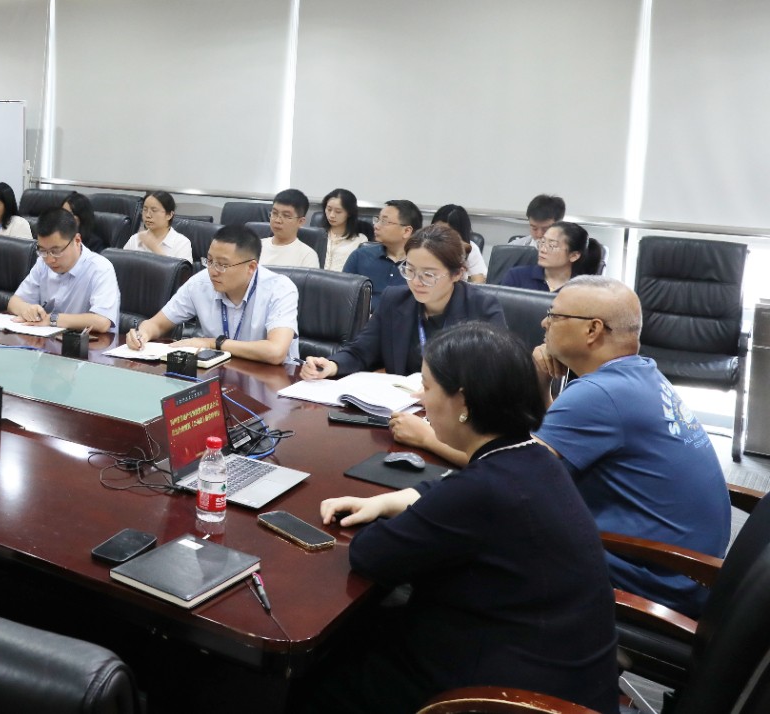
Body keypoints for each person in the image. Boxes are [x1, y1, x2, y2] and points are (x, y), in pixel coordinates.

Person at [311, 323, 619, 714]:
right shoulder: (531, 458)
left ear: (463, 402)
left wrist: (393, 516)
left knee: (321, 673)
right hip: (560, 666)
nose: (422, 401)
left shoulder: (481, 491)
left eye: (427, 387)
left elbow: (370, 555)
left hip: (505, 696)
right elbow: (452, 491)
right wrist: (389, 502)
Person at [533, 277, 729, 618]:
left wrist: (434, 437)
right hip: (693, 571)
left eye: (554, 315)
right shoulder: (638, 374)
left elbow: (513, 471)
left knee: (494, 527)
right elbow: (559, 441)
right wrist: (541, 379)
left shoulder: (598, 395)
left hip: (654, 582)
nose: (543, 323)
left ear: (592, 330)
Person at [301, 224, 504, 380]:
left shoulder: (482, 308)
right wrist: (331, 365)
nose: (416, 281)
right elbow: (362, 350)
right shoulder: (395, 299)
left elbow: (494, 374)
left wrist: (441, 395)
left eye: (429, 275)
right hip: (400, 405)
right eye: (410, 270)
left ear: (457, 274)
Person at [125, 225, 297, 363]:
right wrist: (142, 334)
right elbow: (157, 324)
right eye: (210, 261)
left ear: (251, 267)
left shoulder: (279, 289)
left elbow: (276, 352)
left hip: (272, 378)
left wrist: (213, 343)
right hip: (220, 370)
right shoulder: (199, 284)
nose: (213, 271)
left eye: (222, 265)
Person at [7, 209, 120, 333]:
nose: (49, 259)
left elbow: (102, 321)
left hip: (90, 343)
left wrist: (52, 319)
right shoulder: (42, 263)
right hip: (47, 340)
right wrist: (27, 310)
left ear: (77, 241)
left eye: (56, 251)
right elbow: (14, 302)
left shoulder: (100, 268)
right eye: (43, 250)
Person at [342, 199, 422, 309]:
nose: (376, 226)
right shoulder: (360, 256)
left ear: (406, 231)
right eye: (377, 220)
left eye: (384, 221)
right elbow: (343, 297)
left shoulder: (422, 266)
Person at [498, 221, 603, 292]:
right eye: (542, 242)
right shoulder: (516, 277)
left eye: (552, 245)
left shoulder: (582, 289)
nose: (542, 249)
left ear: (574, 255)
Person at [122, 190, 193, 263]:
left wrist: (155, 248)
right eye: (145, 209)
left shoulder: (182, 244)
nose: (148, 215)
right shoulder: (135, 239)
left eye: (154, 210)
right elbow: (121, 265)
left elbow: (181, 270)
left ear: (169, 215)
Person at [260, 188, 319, 268]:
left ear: (300, 222)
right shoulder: (256, 246)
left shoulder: (307, 256)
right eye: (274, 213)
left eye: (286, 216)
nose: (277, 220)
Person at [432, 204, 486, 283]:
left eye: (447, 232)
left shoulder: (471, 249)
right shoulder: (424, 246)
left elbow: (478, 281)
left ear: (460, 232)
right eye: (437, 230)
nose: (441, 235)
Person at [320, 187, 367, 272]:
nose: (331, 215)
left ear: (349, 213)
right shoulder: (318, 235)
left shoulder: (360, 240)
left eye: (338, 211)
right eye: (329, 209)